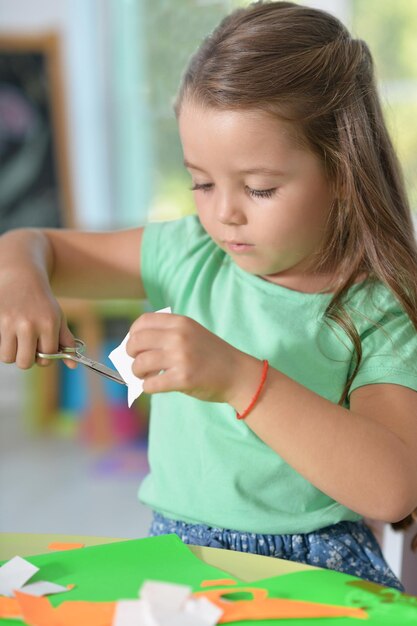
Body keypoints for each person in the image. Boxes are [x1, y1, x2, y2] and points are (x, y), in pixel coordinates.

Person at [0, 1, 416, 592]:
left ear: (342, 173)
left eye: (260, 187)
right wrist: (21, 283)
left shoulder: (374, 308)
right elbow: (30, 242)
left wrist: (240, 379)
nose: (224, 212)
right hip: (176, 554)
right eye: (200, 181)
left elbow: (393, 486)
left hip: (313, 567)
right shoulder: (189, 252)